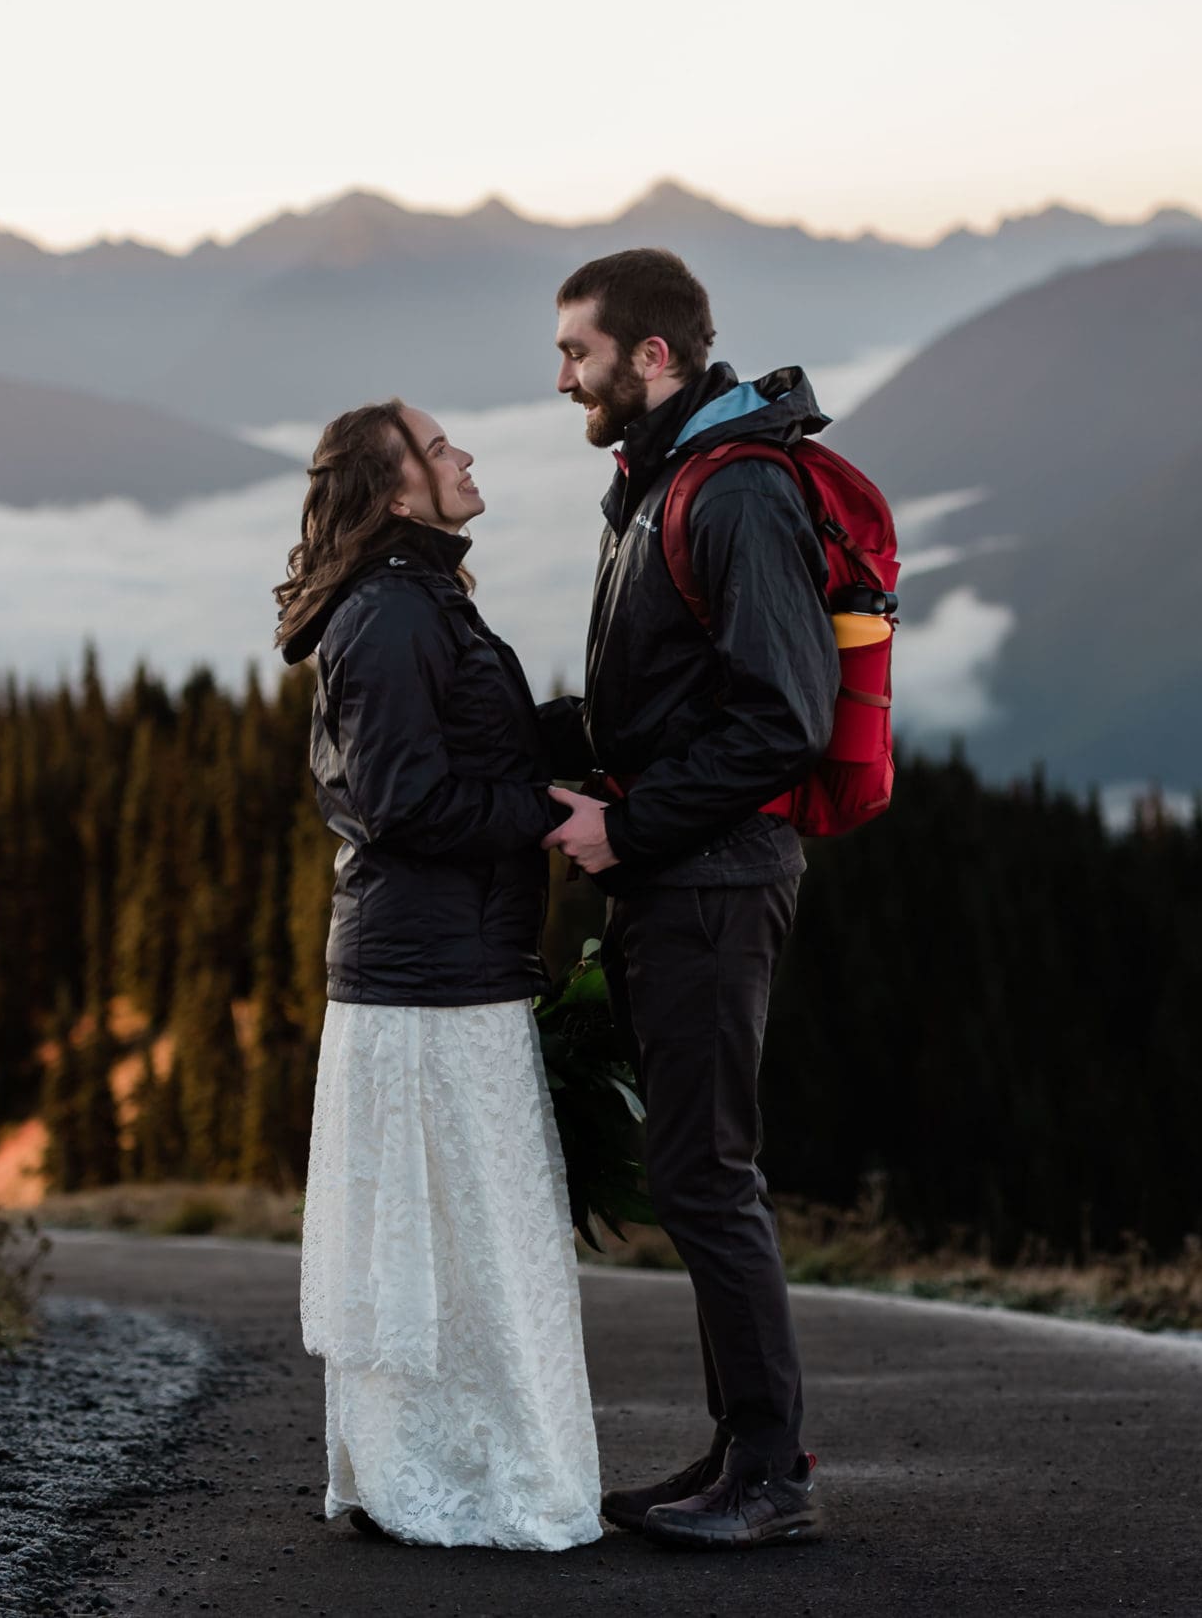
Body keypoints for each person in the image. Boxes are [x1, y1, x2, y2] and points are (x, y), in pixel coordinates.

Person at [540, 248, 837, 1549]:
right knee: (694, 1168)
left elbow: (786, 719)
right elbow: (658, 701)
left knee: (709, 1175)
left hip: (713, 879)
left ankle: (770, 1475)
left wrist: (629, 824)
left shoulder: (734, 495)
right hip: (679, 875)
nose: (561, 379)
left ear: (650, 356)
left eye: (577, 354)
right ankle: (735, 1452)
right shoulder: (661, 481)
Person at [276, 398, 602, 1551]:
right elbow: (403, 800)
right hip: (427, 978)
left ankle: (436, 1465)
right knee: (454, 1238)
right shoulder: (393, 614)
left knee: (461, 1236)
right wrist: (551, 812)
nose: (465, 454)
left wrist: (595, 727)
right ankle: (450, 1475)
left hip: (442, 964)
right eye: (440, 444)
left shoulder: (418, 601)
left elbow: (469, 746)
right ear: (397, 486)